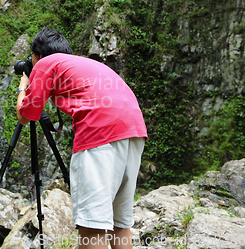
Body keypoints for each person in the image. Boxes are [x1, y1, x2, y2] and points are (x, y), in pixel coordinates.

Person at [16, 27, 147, 249]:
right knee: (119, 224)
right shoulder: (82, 64)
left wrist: (22, 88)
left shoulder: (46, 64)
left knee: (92, 227)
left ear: (38, 55)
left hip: (100, 132)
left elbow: (27, 114)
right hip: (134, 129)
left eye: (32, 58)